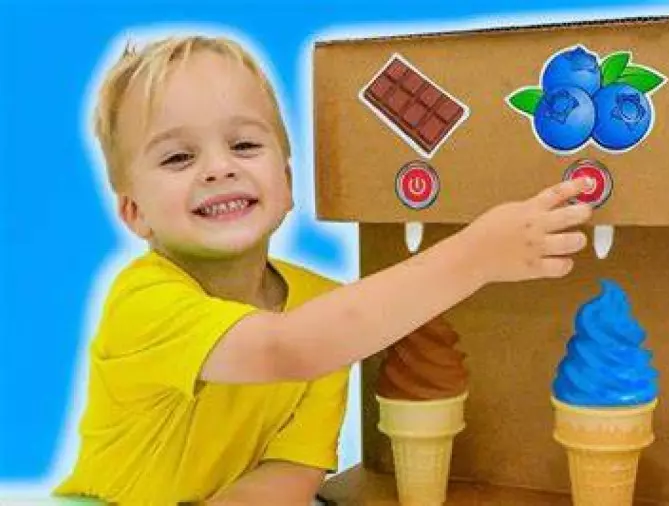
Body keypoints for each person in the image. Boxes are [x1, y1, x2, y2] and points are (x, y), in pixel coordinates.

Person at [55, 35, 593, 504]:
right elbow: (285, 349)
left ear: (287, 183)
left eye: (244, 145)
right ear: (135, 212)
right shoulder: (144, 301)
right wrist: (477, 255)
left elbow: (291, 472)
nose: (219, 168)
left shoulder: (322, 308)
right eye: (178, 158)